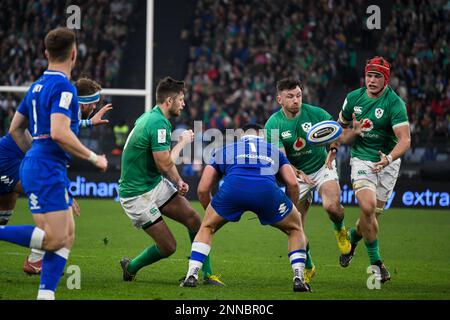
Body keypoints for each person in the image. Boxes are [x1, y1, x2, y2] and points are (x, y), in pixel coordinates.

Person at [0, 27, 108, 300]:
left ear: (46, 53)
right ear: (74, 54)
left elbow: (15, 128)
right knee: (54, 238)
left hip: (44, 164)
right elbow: (60, 132)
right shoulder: (64, 88)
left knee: (67, 236)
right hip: (45, 167)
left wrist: (36, 152)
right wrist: (93, 157)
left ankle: (46, 296)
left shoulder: (37, 85)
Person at [118, 76, 223, 286]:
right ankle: (130, 267)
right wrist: (183, 141)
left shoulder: (154, 117)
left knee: (195, 220)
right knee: (168, 246)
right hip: (137, 194)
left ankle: (207, 275)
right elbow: (163, 163)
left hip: (153, 184)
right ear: (169, 101)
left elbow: (163, 163)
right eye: (181, 99)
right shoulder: (158, 122)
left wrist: (178, 180)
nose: (183, 104)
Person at [180, 123, 310, 292]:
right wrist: (291, 209)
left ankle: (192, 275)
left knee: (206, 227)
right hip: (266, 192)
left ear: (241, 136)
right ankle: (299, 277)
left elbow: (203, 189)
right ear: (261, 135)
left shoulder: (226, 149)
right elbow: (292, 183)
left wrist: (212, 212)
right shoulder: (273, 150)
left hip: (233, 190)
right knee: (295, 228)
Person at [22, 77, 113, 275]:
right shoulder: (65, 112)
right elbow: (60, 135)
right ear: (84, 102)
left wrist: (90, 122)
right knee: (58, 230)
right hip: (34, 164)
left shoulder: (64, 111)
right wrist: (94, 158)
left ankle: (39, 264)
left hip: (38, 164)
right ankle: (37, 263)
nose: (96, 106)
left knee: (63, 228)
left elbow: (65, 129)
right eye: (94, 103)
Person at [264, 78, 351, 285]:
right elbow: (281, 157)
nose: (296, 100)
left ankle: (340, 230)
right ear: (279, 99)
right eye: (290, 97)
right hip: (296, 177)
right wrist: (297, 173)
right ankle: (308, 266)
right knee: (294, 227)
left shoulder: (317, 114)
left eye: (298, 95)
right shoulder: (273, 124)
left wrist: (332, 152)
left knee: (332, 207)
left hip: (322, 167)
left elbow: (336, 134)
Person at [333, 56, 411, 283]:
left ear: (385, 79)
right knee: (367, 208)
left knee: (370, 217)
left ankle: (351, 239)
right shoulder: (352, 99)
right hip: (362, 160)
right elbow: (341, 134)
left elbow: (405, 140)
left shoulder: (394, 103)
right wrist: (351, 134)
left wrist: (388, 159)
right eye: (369, 75)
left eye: (377, 76)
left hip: (388, 161)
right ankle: (377, 263)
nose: (372, 80)